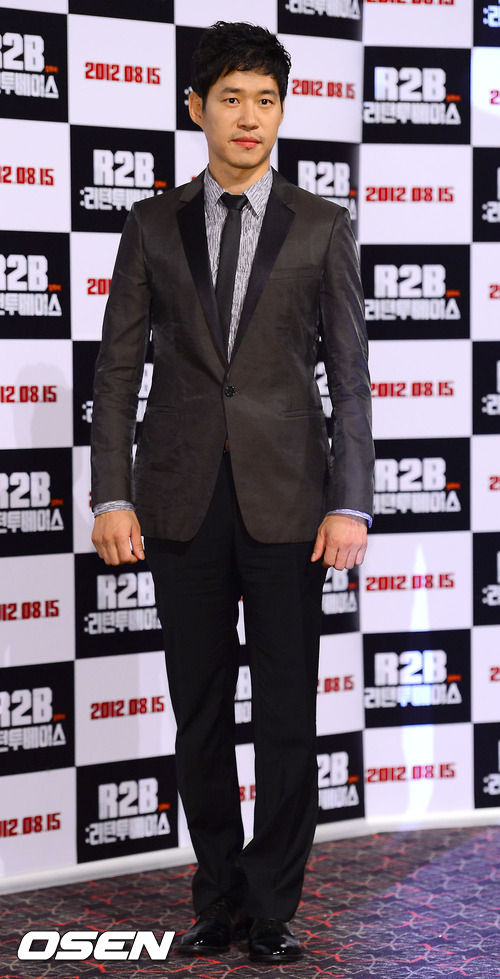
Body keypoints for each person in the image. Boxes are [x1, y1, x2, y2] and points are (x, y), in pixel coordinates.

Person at [91, 21, 374, 962]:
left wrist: (351, 500)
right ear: (197, 109)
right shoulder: (150, 224)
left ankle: (273, 904)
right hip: (180, 503)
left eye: (265, 100)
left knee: (290, 715)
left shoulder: (323, 224)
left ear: (281, 111)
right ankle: (216, 897)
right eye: (231, 99)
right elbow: (117, 372)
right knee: (201, 712)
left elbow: (350, 376)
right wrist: (110, 494)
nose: (249, 117)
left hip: (291, 505)